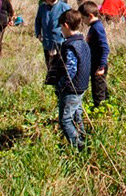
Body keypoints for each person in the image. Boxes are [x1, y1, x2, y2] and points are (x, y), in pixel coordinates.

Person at [45, 10, 90, 151]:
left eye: (61, 28)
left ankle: (79, 147)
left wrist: (61, 85)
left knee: (65, 120)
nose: (61, 31)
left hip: (71, 88)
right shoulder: (83, 42)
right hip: (82, 85)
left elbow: (71, 69)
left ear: (66, 25)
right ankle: (84, 138)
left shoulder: (70, 45)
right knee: (77, 115)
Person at [78, 2, 110, 108]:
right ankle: (105, 109)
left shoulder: (97, 28)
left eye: (83, 18)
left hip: (98, 65)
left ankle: (101, 112)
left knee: (98, 92)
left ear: (90, 16)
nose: (83, 21)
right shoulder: (94, 27)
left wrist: (101, 66)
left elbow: (105, 48)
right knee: (100, 88)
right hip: (95, 64)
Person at [35, 0, 71, 68]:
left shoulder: (64, 7)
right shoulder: (42, 8)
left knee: (61, 67)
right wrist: (38, 33)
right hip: (47, 43)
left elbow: (71, 24)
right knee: (50, 68)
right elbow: (38, 21)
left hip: (61, 42)